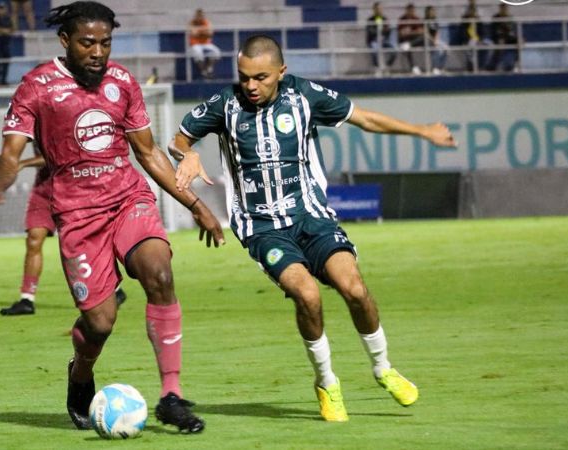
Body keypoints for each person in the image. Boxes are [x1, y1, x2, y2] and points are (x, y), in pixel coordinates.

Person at [169, 35, 456, 422]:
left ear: (281, 72)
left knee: (354, 288)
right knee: (307, 295)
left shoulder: (304, 95)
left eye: (260, 77)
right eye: (244, 77)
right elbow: (179, 138)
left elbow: (365, 118)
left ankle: (383, 367)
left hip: (312, 217)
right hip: (262, 227)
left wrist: (422, 131)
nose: (250, 86)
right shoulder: (225, 104)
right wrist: (187, 154)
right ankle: (327, 382)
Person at [0, 0, 224, 433]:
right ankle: (80, 375)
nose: (97, 51)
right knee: (100, 322)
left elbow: (147, 152)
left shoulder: (123, 82)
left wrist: (197, 205)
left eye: (105, 43)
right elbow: (10, 153)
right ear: (65, 41)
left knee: (160, 275)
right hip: (76, 215)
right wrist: (0, 183)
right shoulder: (37, 86)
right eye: (87, 43)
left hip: (129, 200)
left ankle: (171, 395)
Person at [0, 155, 128, 316]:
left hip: (73, 187)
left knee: (86, 242)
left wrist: (22, 162)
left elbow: (55, 155)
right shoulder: (28, 129)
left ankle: (115, 288)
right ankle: (26, 299)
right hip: (43, 190)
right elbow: (13, 148)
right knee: (33, 240)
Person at [457, 0, 493, 72]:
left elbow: (483, 31)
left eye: (473, 11)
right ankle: (472, 66)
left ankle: (483, 65)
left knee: (489, 44)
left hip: (479, 39)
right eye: (471, 11)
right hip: (469, 40)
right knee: (471, 45)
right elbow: (463, 33)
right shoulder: (465, 22)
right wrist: (467, 39)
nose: (472, 13)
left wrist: (481, 39)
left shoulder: (478, 21)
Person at [188, 8, 221, 79]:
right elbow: (194, 33)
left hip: (206, 43)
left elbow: (210, 33)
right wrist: (204, 30)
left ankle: (209, 68)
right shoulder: (192, 22)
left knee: (216, 52)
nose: (200, 17)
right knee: (198, 54)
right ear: (196, 16)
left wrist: (199, 30)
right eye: (198, 16)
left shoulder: (206, 22)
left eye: (201, 16)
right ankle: (204, 71)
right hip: (195, 44)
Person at [365, 2, 395, 76]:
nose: (379, 10)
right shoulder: (370, 20)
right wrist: (378, 34)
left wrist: (383, 36)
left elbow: (388, 30)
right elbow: (370, 31)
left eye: (380, 9)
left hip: (384, 40)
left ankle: (387, 67)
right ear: (374, 10)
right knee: (374, 50)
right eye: (377, 9)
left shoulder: (384, 19)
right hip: (374, 40)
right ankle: (377, 67)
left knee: (394, 51)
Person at [489, 3, 518, 72]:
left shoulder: (510, 19)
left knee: (518, 42)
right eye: (503, 8)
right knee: (499, 44)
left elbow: (512, 32)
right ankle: (493, 66)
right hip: (498, 40)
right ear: (500, 9)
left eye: (506, 8)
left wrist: (518, 39)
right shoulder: (496, 19)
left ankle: (515, 63)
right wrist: (500, 38)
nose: (504, 10)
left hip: (509, 40)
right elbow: (494, 32)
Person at [0, 2, 14, 86]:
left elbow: (13, 29)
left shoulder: (8, 18)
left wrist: (3, 31)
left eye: (3, 8)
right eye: (0, 8)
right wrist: (4, 31)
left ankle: (4, 80)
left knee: (6, 62)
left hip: (6, 43)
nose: (1, 10)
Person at [397, 3, 424, 75]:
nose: (411, 12)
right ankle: (413, 67)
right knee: (407, 47)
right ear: (406, 11)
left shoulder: (416, 19)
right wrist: (414, 32)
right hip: (404, 40)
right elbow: (401, 34)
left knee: (423, 38)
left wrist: (410, 32)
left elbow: (421, 31)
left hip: (414, 41)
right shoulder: (402, 19)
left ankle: (409, 44)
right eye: (410, 11)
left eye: (412, 11)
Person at [424, 5, 447, 75]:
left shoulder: (435, 20)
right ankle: (435, 68)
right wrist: (432, 40)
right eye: (431, 11)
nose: (433, 12)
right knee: (436, 50)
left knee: (446, 48)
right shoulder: (425, 21)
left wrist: (436, 40)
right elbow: (425, 33)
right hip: (428, 40)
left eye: (433, 11)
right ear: (427, 12)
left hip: (435, 39)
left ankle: (441, 67)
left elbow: (437, 31)